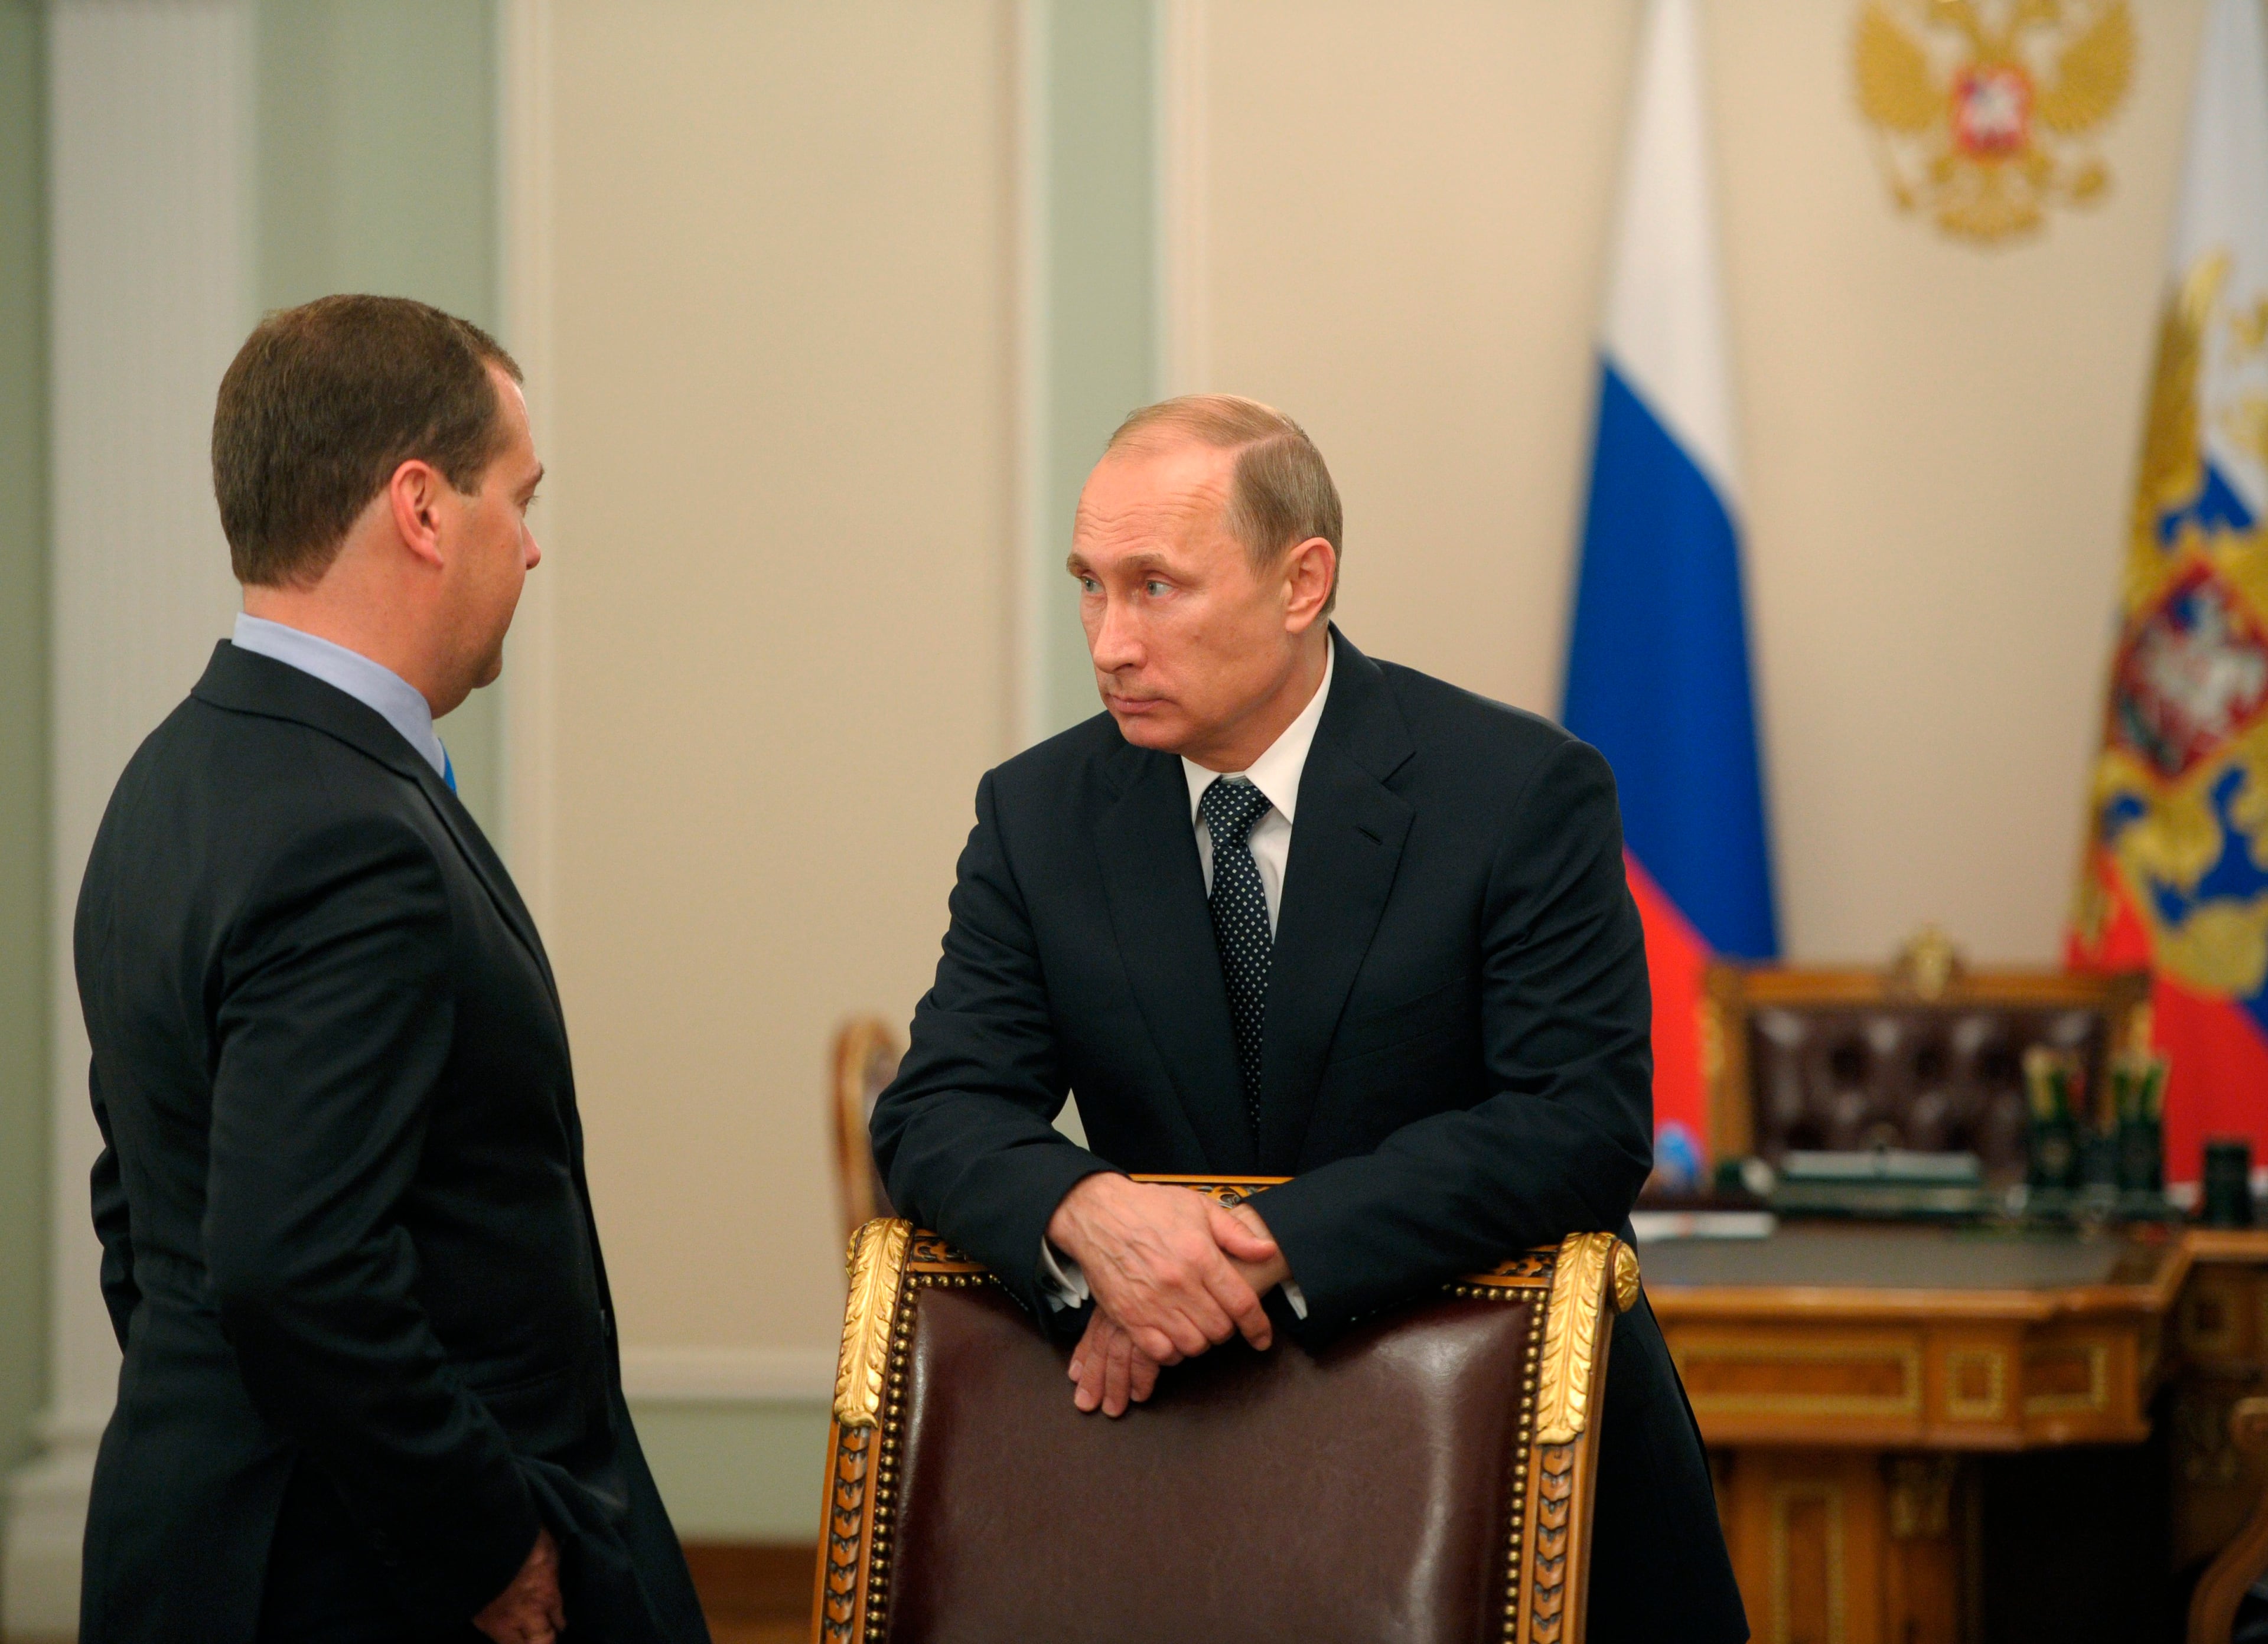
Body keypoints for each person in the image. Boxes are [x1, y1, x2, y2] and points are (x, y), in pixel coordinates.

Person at [871, 394, 1746, 1643]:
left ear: (1302, 583)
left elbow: (1578, 1126)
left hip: (1525, 1475)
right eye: (1090, 589)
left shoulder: (1517, 791)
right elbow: (937, 1111)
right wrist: (1090, 1213)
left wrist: (1247, 1251)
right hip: (1184, 1473)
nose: (1110, 643)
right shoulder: (1039, 812)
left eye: (1155, 588)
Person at [73, 296, 709, 1644]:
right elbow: (292, 1268)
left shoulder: (172, 774)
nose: (531, 548)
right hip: (368, 1583)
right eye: (519, 500)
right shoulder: (345, 832)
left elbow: (145, 1209)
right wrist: (484, 1543)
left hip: (217, 1541)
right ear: (422, 508)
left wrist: (226, 1423)